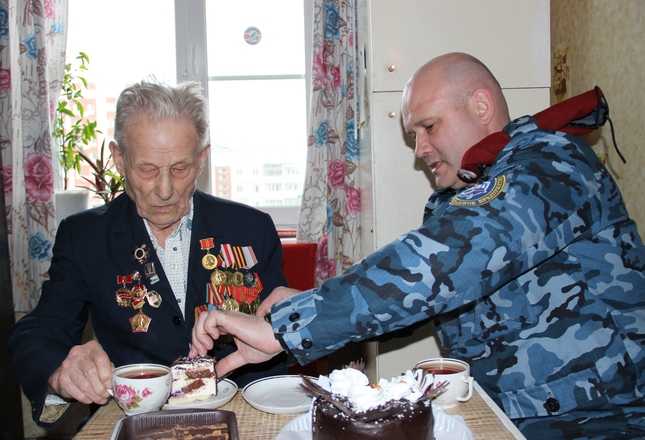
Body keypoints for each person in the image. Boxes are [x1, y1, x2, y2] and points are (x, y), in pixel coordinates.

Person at [190, 53, 645, 439]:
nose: (420, 149)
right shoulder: (459, 199)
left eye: (429, 126)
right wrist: (305, 305)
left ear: (481, 106)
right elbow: (417, 297)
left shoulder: (551, 163)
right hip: (507, 411)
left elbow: (443, 261)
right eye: (414, 135)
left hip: (599, 418)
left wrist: (288, 326)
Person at [7, 80, 288, 429]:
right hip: (134, 421)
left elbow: (280, 333)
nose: (165, 190)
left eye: (180, 169)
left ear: (201, 158)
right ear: (119, 158)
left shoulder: (251, 229)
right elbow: (40, 331)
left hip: (244, 416)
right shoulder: (85, 237)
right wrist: (61, 373)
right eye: (147, 170)